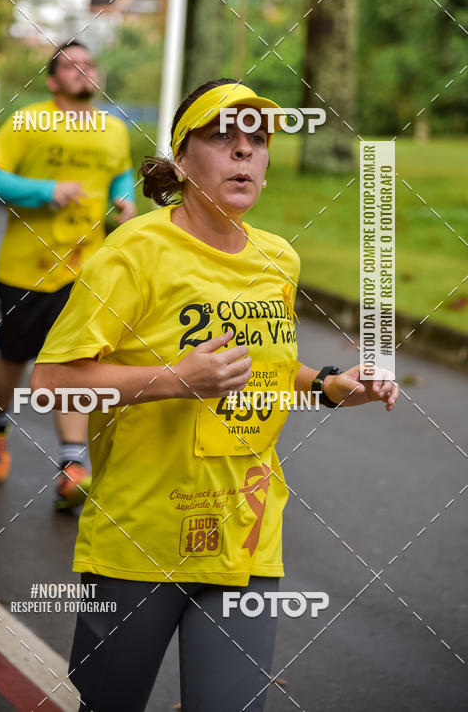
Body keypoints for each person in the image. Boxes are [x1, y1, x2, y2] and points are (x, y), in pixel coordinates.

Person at [31, 79, 398, 711]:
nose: (243, 153)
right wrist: (175, 380)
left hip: (247, 534)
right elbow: (51, 383)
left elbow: (270, 375)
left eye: (257, 141)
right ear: (181, 158)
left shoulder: (278, 259)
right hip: (140, 536)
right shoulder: (134, 254)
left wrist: (334, 387)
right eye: (223, 138)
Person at [0, 40, 137, 508]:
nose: (84, 71)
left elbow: (119, 176)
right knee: (14, 358)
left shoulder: (113, 129)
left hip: (88, 268)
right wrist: (46, 190)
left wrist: (123, 202)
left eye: (89, 64)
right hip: (30, 267)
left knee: (75, 362)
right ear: (51, 80)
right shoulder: (29, 121)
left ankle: (72, 466)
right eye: (72, 65)